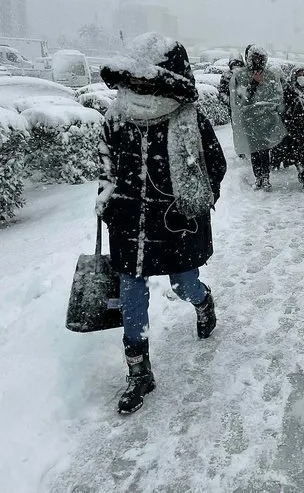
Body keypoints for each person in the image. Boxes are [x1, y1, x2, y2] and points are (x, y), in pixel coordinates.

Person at [97, 32, 227, 415]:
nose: (138, 87)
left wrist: (194, 205)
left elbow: (213, 167)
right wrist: (108, 200)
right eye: (134, 80)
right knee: (132, 293)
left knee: (183, 283)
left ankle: (203, 302)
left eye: (146, 80)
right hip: (129, 222)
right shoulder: (117, 116)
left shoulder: (188, 118)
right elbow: (106, 165)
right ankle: (138, 372)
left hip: (175, 223)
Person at [229, 44, 286, 190]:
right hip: (249, 119)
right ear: (249, 58)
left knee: (264, 149)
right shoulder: (240, 76)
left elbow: (277, 96)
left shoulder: (271, 75)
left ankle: (265, 177)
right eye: (255, 58)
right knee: (254, 149)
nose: (258, 61)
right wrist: (253, 84)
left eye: (261, 58)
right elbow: (240, 99)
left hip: (267, 119)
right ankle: (258, 177)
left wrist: (272, 109)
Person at [283, 65, 304, 192]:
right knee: (296, 156)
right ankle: (300, 170)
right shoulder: (289, 91)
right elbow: (285, 109)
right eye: (299, 75)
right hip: (294, 130)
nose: (302, 78)